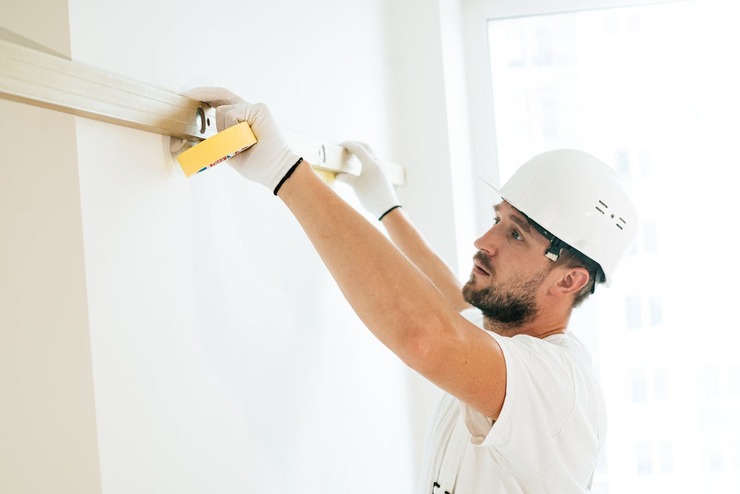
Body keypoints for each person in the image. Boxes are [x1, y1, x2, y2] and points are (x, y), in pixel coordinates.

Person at [185, 88, 638, 493]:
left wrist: (285, 172)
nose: (484, 241)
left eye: (515, 234)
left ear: (569, 280)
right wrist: (386, 206)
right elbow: (449, 302)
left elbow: (430, 334)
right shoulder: (502, 345)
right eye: (497, 219)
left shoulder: (559, 386)